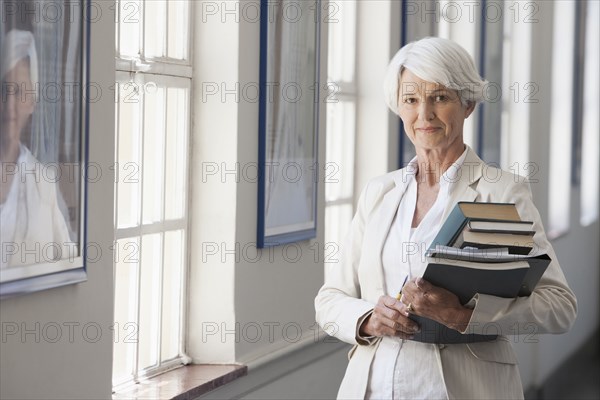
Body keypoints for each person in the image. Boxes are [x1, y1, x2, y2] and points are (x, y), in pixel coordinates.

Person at [314, 37, 577, 400]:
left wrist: (464, 316)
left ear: (467, 103)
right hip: (372, 388)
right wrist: (368, 318)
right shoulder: (379, 193)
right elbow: (330, 298)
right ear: (399, 106)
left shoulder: (503, 192)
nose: (424, 114)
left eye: (440, 97)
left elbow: (559, 306)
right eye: (411, 99)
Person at [0, 29, 71, 270]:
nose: (10, 105)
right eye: (4, 91)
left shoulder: (43, 182)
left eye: (19, 92)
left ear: (32, 101)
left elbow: (69, 264)